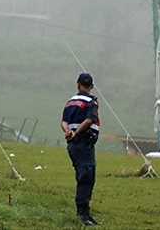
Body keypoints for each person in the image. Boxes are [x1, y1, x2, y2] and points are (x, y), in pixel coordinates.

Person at [62, 72, 102, 226]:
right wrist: (77, 133)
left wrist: (68, 132)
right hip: (84, 142)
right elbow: (89, 120)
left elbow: (63, 121)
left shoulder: (70, 102)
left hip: (72, 145)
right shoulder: (92, 102)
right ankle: (83, 213)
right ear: (91, 86)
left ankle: (84, 211)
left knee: (83, 174)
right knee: (87, 175)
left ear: (78, 84)